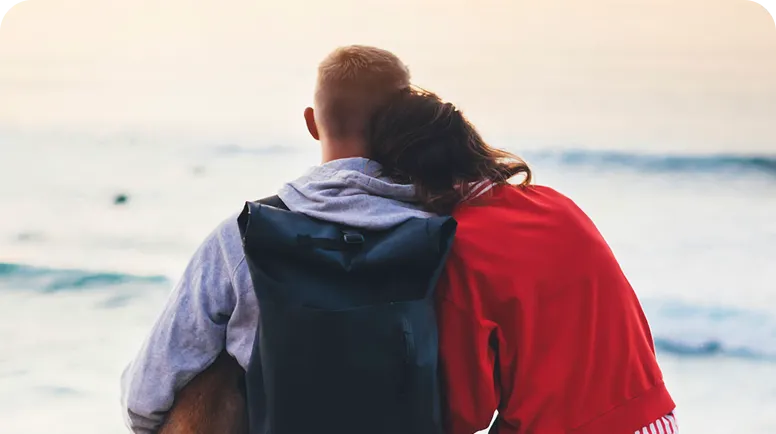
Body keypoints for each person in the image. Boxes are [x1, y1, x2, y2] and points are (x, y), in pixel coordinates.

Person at [121, 45, 443, 434]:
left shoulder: (243, 237)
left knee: (212, 371)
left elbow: (146, 397)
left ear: (311, 123)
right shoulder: (439, 233)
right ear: (407, 124)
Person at [368, 87, 678, 433]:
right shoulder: (556, 204)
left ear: (405, 176)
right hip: (653, 418)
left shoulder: (460, 247)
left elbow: (466, 411)